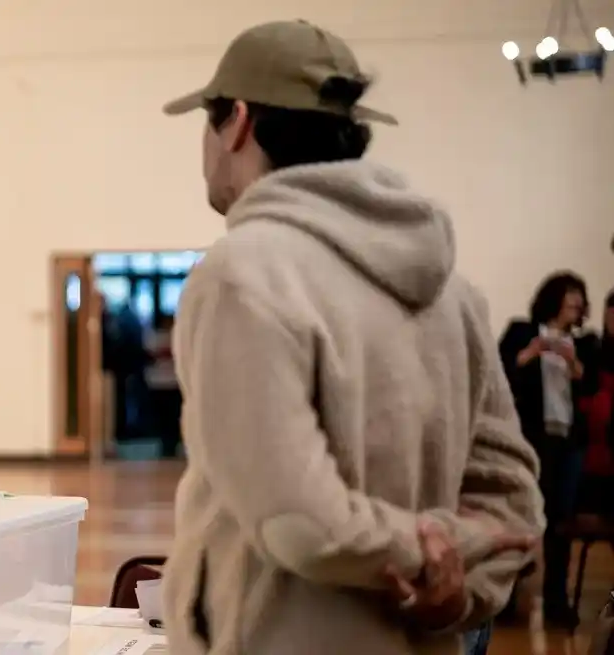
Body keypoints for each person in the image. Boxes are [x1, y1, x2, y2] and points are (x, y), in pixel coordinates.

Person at [156, 20, 544, 654]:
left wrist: (434, 548)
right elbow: (514, 512)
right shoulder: (455, 294)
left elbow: (299, 523)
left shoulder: (243, 273)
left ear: (238, 123)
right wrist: (455, 585)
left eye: (207, 120)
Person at [498, 271, 596, 627]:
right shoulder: (521, 331)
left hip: (568, 444)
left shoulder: (586, 343)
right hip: (531, 440)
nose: (577, 302)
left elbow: (590, 387)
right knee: (520, 517)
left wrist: (572, 362)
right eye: (572, 295)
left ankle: (556, 601)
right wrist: (532, 353)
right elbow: (502, 374)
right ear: (555, 298)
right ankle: (505, 599)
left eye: (580, 297)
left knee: (559, 526)